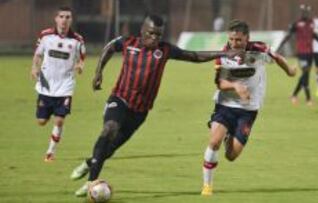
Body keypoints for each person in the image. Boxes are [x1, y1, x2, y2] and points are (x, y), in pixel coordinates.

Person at [70, 14, 242, 197]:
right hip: (119, 99)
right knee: (109, 130)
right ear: (142, 31)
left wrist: (223, 53)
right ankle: (92, 182)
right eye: (151, 33)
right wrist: (98, 73)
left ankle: (89, 164)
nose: (155, 38)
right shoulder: (128, 43)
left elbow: (193, 56)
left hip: (140, 111)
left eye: (159, 35)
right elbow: (109, 47)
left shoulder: (165, 50)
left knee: (111, 148)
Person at [200, 20, 296, 196]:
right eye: (231, 39)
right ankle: (207, 186)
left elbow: (277, 58)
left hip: (248, 110)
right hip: (225, 105)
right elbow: (219, 83)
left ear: (247, 39)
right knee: (214, 142)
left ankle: (230, 135)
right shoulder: (222, 54)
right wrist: (235, 86)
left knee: (231, 156)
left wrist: (289, 70)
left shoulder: (259, 50)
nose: (234, 43)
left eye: (238, 40)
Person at [30, 6, 85, 162]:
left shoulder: (77, 40)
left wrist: (80, 66)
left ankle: (50, 153)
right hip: (46, 85)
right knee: (41, 122)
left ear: (71, 20)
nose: (64, 20)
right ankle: (46, 119)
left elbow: (82, 58)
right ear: (56, 18)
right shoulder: (46, 36)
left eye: (68, 17)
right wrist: (34, 67)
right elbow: (38, 54)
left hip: (65, 86)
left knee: (60, 119)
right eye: (61, 16)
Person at [277, 4, 318, 106]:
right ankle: (308, 99)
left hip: (310, 53)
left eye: (307, 12)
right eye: (303, 12)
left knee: (305, 74)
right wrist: (279, 47)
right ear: (301, 12)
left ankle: (294, 95)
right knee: (305, 73)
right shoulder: (296, 24)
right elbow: (288, 36)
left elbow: (314, 36)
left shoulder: (312, 23)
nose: (305, 13)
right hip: (301, 53)